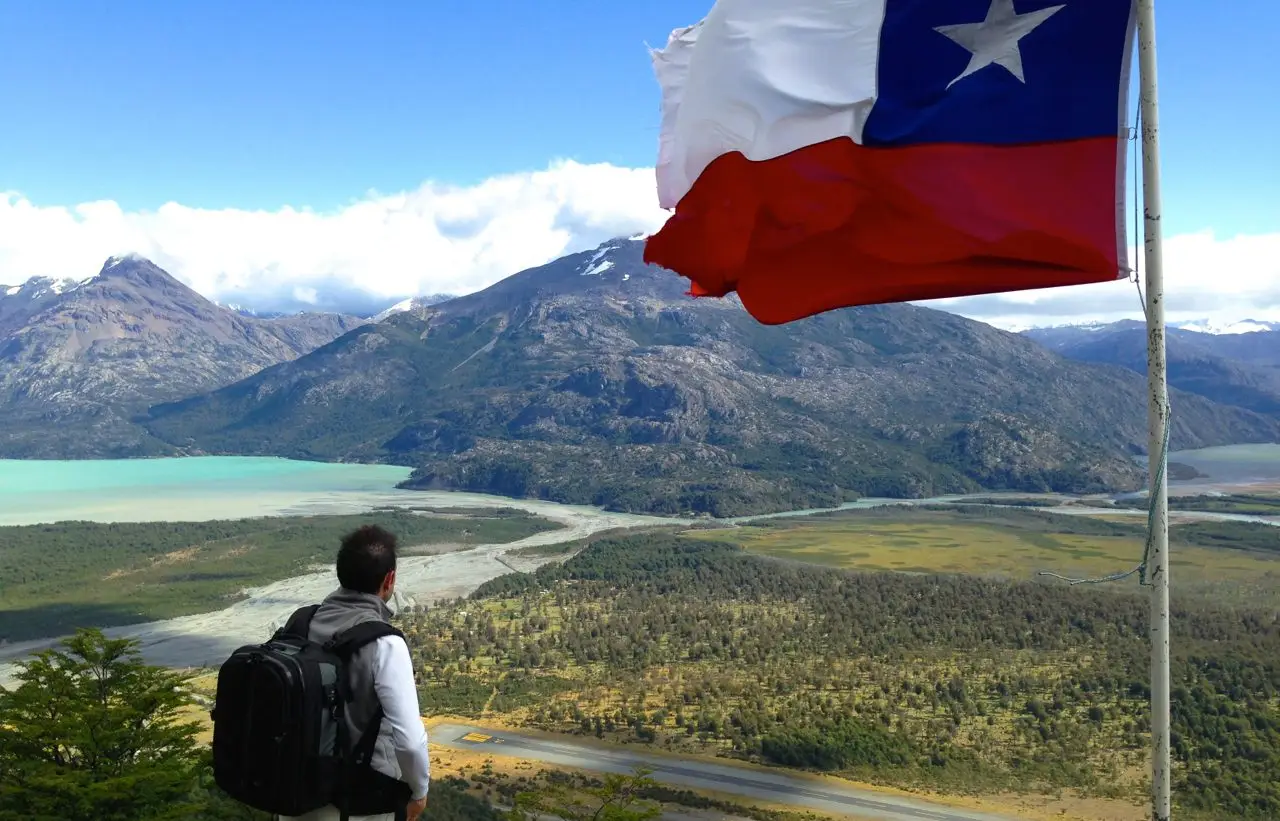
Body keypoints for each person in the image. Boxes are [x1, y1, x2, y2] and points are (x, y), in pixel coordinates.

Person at [279, 524, 431, 821]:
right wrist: (419, 791)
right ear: (389, 580)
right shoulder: (384, 642)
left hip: (295, 797)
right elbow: (410, 741)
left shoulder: (301, 622)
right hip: (359, 805)